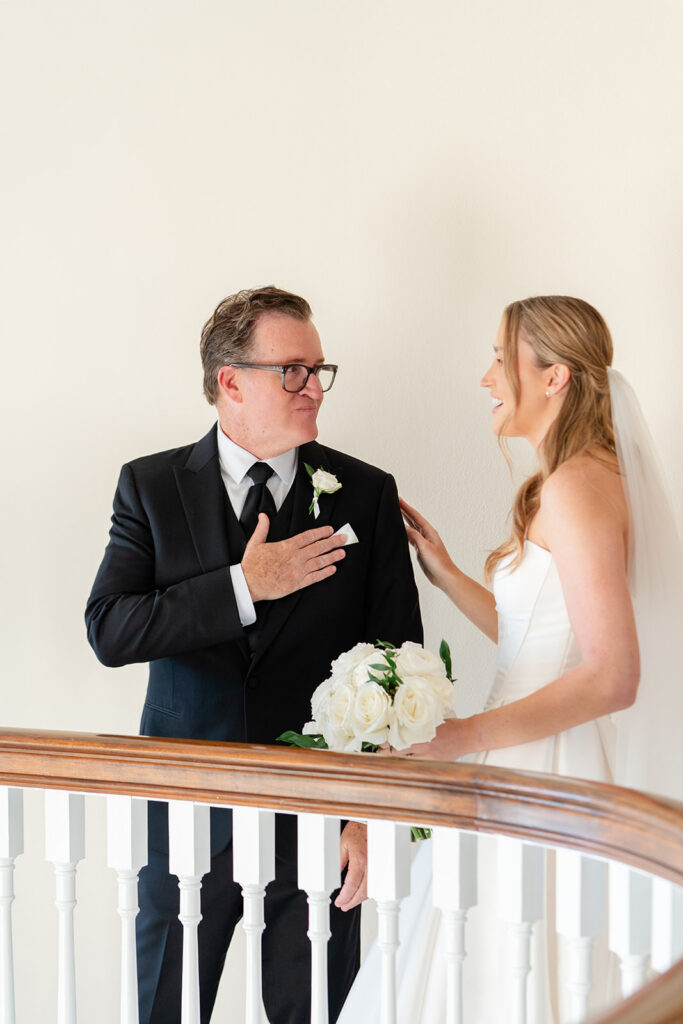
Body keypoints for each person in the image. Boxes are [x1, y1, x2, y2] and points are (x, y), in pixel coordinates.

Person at [339, 295, 683, 1023]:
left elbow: (612, 675)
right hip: (523, 751)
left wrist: (464, 736)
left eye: (501, 358)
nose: (487, 377)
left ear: (554, 376)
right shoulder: (577, 479)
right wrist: (446, 574)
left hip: (543, 766)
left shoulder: (576, 486)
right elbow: (540, 638)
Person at [85, 285, 423, 1024]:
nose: (314, 388)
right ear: (231, 381)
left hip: (319, 822)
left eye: (318, 370)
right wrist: (243, 586)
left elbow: (398, 660)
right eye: (293, 371)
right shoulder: (150, 485)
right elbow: (110, 629)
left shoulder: (364, 493)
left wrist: (369, 814)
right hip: (185, 816)